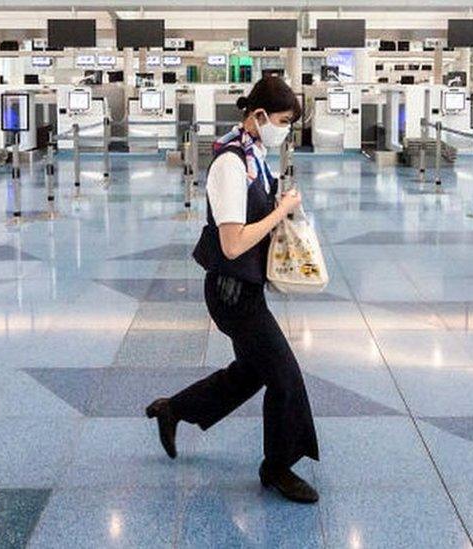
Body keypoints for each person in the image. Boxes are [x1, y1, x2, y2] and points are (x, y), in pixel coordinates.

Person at [145, 76, 320, 504]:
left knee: (251, 372)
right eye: (281, 121)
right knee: (284, 378)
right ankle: (277, 467)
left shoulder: (253, 152)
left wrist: (277, 200)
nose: (284, 130)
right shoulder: (229, 163)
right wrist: (280, 210)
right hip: (230, 292)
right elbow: (233, 242)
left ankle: (174, 410)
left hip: (245, 286)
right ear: (258, 116)